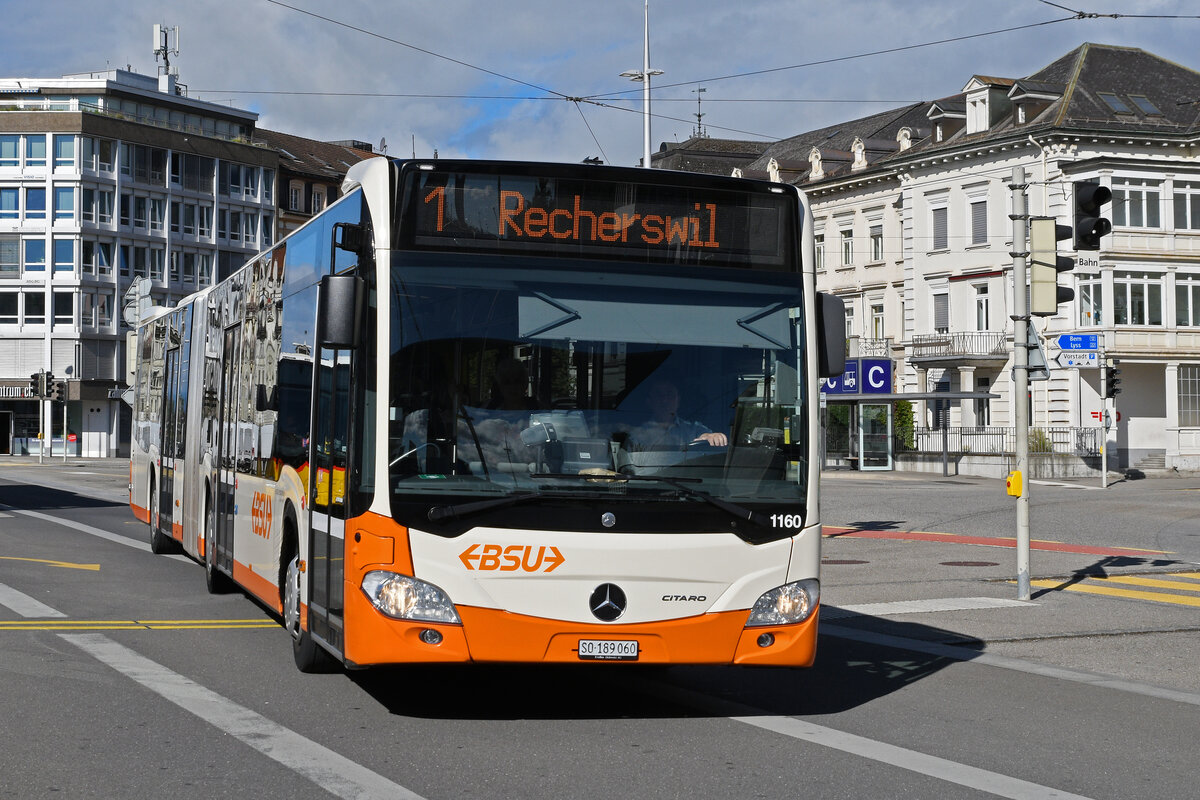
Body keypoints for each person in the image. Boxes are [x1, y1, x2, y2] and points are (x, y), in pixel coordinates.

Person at [624, 378, 728, 451]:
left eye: (669, 394)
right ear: (649, 401)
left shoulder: (694, 430)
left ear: (678, 399)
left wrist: (712, 436)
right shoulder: (637, 435)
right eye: (658, 394)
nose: (664, 400)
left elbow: (706, 436)